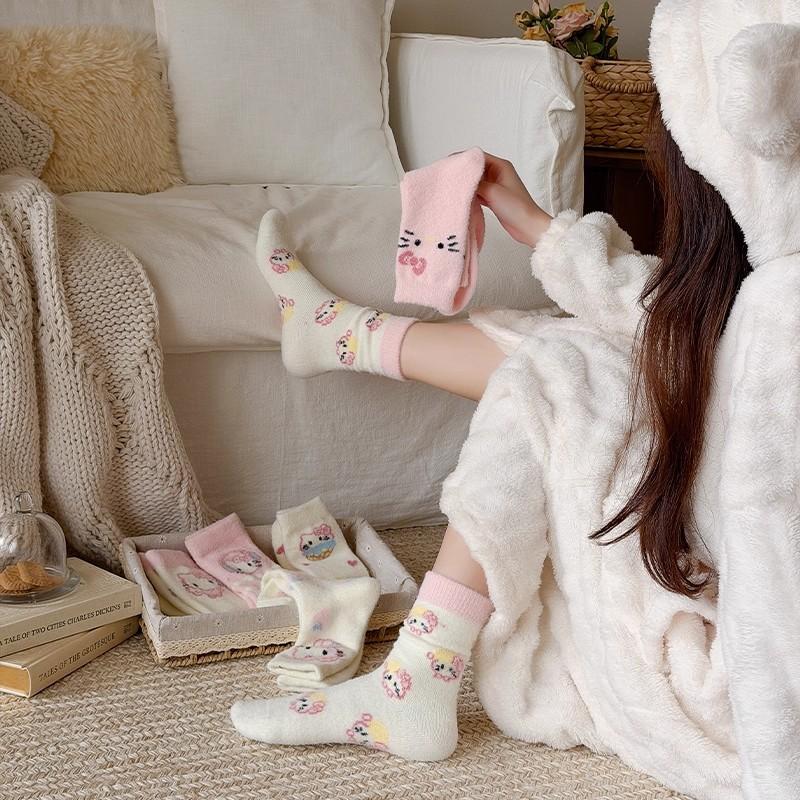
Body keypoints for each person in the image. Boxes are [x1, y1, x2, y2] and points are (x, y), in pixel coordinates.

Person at [232, 2, 800, 795]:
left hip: (746, 688)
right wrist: (539, 226)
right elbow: (687, 333)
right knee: (594, 353)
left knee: (563, 371)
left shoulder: (785, 315)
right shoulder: (773, 300)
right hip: (737, 619)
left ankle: (415, 679)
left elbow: (775, 579)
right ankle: (340, 335)